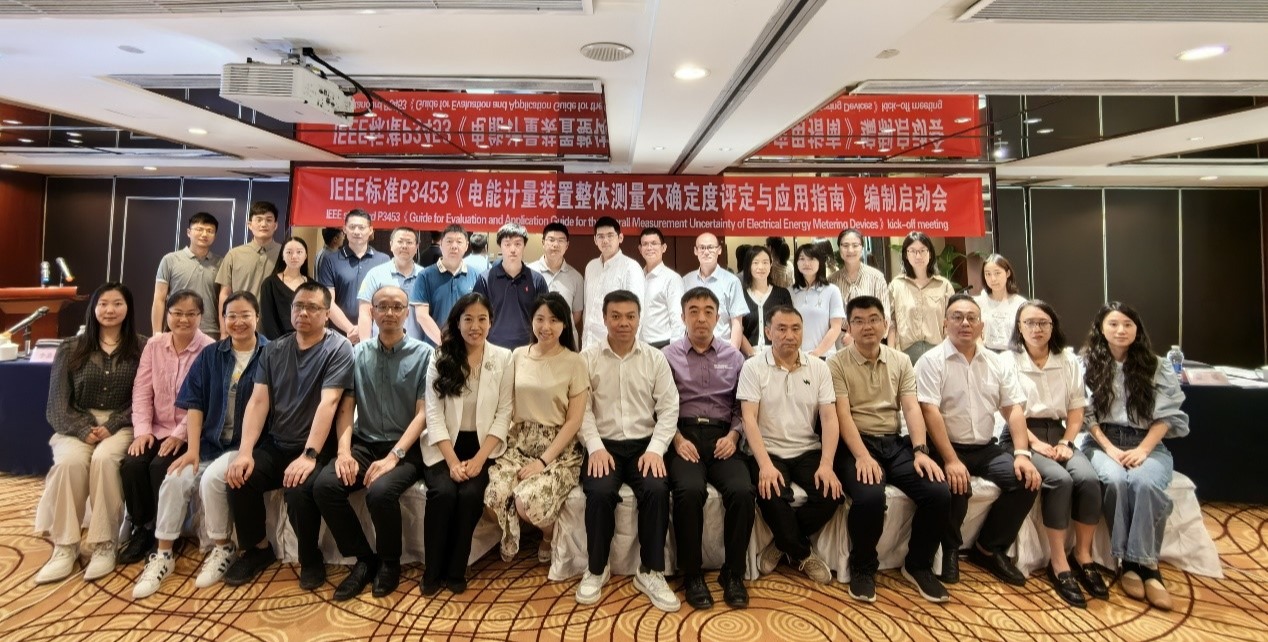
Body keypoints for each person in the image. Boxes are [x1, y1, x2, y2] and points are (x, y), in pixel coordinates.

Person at [130, 291, 268, 598]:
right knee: (174, 478)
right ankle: (163, 554)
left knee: (211, 480)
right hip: (209, 443)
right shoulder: (211, 355)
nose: (238, 322)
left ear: (257, 318)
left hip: (246, 444)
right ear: (223, 319)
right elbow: (195, 404)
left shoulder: (270, 354)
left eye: (245, 315)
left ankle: (223, 547)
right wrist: (192, 450)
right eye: (231, 316)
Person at [221, 281, 355, 589]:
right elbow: (258, 402)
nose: (303, 313)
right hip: (278, 442)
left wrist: (309, 455)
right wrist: (244, 452)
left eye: (313, 308)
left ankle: (310, 558)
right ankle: (258, 549)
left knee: (298, 489)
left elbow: (329, 402)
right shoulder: (274, 350)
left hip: (319, 446)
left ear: (327, 314)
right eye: (298, 306)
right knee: (240, 477)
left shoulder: (338, 348)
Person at [827, 295, 951, 603]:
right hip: (855, 443)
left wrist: (920, 450)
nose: (867, 326)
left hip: (894, 443)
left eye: (873, 320)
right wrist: (862, 456)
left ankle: (918, 564)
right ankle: (863, 567)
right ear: (848, 327)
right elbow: (842, 415)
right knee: (869, 496)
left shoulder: (901, 360)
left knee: (938, 491)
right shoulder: (836, 363)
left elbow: (911, 407)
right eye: (858, 321)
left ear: (885, 324)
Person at [916, 293, 1041, 587]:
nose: (965, 323)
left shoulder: (996, 362)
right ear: (945, 323)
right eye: (957, 317)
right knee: (956, 487)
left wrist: (1022, 454)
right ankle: (950, 550)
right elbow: (929, 411)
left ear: (981, 325)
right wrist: (950, 460)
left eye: (972, 318)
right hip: (945, 446)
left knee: (1026, 481)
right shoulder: (931, 361)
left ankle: (988, 548)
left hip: (985, 448)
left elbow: (1012, 409)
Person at [314, 285, 431, 600]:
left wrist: (394, 457)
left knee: (380, 493)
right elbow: (346, 407)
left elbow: (423, 415)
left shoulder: (425, 354)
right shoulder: (357, 353)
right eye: (382, 306)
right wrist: (343, 452)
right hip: (364, 443)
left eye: (397, 307)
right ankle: (364, 559)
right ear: (372, 312)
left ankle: (390, 562)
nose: (389, 313)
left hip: (406, 448)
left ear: (407, 312)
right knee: (325, 486)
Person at [34, 283, 147, 584]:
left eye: (117, 303)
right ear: (93, 308)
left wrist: (112, 425)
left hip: (123, 423)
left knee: (105, 461)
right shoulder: (71, 347)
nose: (110, 310)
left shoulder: (142, 347)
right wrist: (82, 429)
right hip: (76, 421)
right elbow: (57, 404)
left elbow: (144, 398)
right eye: (103, 304)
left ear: (128, 308)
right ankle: (65, 546)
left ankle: (104, 543)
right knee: (69, 464)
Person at [575, 290, 681, 611]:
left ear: (638, 318)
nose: (623, 323)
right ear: (604, 318)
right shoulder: (588, 359)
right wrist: (595, 447)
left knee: (656, 489)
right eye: (616, 316)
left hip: (644, 446)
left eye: (630, 316)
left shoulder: (655, 358)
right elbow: (581, 410)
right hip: (603, 445)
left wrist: (656, 450)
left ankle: (650, 571)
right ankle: (597, 568)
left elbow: (669, 408)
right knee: (599, 492)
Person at [1081, 301, 1188, 611]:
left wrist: (1143, 449)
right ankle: (1132, 564)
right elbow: (1085, 415)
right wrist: (1111, 449)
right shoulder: (1085, 364)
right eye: (1113, 324)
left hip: (1147, 442)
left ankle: (1143, 564)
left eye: (1128, 324)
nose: (1121, 330)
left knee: (1145, 483)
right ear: (1101, 329)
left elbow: (1167, 416)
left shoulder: (1157, 366)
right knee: (1115, 480)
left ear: (1137, 329)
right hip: (1102, 442)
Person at [1004, 300, 1106, 608]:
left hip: (1058, 432)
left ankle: (1084, 555)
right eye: (1029, 323)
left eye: (1043, 323)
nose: (1036, 329)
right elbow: (1009, 410)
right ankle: (1058, 562)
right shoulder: (1007, 360)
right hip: (1021, 433)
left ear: (1053, 327)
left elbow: (1076, 409)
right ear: (1019, 327)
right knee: (1060, 480)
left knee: (1088, 479)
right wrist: (1034, 443)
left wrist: (1066, 442)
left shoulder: (1067, 360)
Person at [664, 287, 754, 610]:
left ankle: (733, 573)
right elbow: (659, 406)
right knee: (689, 491)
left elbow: (742, 407)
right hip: (683, 436)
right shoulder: (667, 356)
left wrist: (734, 436)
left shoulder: (735, 357)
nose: (701, 318)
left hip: (722, 438)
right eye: (694, 311)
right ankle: (692, 574)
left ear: (718, 318)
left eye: (708, 312)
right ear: (682, 316)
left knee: (743, 491)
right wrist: (676, 438)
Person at [739, 305, 843, 584]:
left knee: (832, 494)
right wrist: (764, 465)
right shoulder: (753, 367)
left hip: (807, 449)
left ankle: (782, 543)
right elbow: (748, 419)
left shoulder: (818, 367)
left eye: (795, 328)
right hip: (768, 450)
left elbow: (829, 418)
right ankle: (803, 552)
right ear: (768, 332)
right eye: (781, 329)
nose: (789, 335)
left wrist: (827, 464)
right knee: (770, 493)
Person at [422, 293, 514, 594]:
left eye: (482, 319)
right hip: (444, 446)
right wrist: (452, 462)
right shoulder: (440, 356)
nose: (475, 326)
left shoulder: (503, 358)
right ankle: (432, 570)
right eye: (468, 319)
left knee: (471, 495)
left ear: (491, 322)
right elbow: (433, 415)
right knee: (443, 493)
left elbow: (504, 413)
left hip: (483, 446)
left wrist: (478, 460)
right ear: (457, 322)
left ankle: (456, 569)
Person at [485, 292, 587, 563]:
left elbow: (574, 421)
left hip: (558, 449)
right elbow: (507, 405)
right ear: (531, 321)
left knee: (526, 501)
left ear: (564, 324)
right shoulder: (518, 355)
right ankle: (516, 532)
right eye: (540, 319)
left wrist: (542, 462)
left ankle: (549, 535)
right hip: (519, 442)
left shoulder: (575, 361)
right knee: (494, 495)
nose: (546, 326)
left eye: (554, 320)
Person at [118, 290, 215, 567]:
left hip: (190, 432)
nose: (183, 319)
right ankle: (142, 527)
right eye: (177, 313)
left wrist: (179, 435)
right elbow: (141, 390)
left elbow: (205, 399)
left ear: (201, 316)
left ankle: (168, 531)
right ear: (167, 314)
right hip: (155, 428)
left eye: (191, 314)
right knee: (132, 465)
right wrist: (142, 432)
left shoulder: (209, 348)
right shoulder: (154, 345)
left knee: (161, 467)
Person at [318, 208, 390, 345]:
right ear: (344, 229)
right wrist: (350, 329)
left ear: (370, 230)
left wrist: (364, 329)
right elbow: (327, 301)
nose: (356, 231)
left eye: (361, 227)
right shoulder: (331, 260)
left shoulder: (383, 260)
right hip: (340, 335)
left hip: (375, 334)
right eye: (352, 227)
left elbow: (386, 300)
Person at [473, 223, 549, 349]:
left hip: (528, 348)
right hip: (493, 348)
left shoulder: (537, 280)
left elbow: (545, 316)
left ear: (524, 246)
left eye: (518, 244)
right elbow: (476, 314)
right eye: (507, 244)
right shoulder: (485, 279)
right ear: (500, 246)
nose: (513, 249)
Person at [215, 201, 280, 337]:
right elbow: (225, 294)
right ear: (249, 225)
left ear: (275, 225)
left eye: (269, 220)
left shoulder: (286, 254)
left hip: (276, 329)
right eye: (259, 220)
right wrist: (224, 331)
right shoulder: (234, 254)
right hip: (239, 326)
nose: (263, 224)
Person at [889, 232, 954, 365]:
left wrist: (949, 352)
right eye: (913, 251)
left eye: (922, 250)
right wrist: (891, 353)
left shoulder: (943, 285)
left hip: (937, 352)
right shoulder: (896, 285)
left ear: (930, 254)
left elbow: (951, 321)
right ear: (906, 255)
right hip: (905, 354)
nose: (918, 256)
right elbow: (891, 322)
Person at [152, 212, 221, 336]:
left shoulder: (221, 263)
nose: (204, 234)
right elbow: (159, 299)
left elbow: (223, 300)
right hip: (177, 328)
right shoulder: (170, 260)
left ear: (215, 236)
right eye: (199, 229)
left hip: (210, 331)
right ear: (189, 232)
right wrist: (156, 333)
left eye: (210, 231)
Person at [582, 216, 644, 350]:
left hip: (616, 346)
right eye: (600, 236)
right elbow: (587, 308)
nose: (605, 240)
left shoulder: (631, 267)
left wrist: (629, 349)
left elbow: (637, 311)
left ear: (620, 238)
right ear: (595, 240)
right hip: (589, 344)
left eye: (610, 235)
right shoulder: (590, 267)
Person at [412, 224, 478, 346]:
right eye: (449, 241)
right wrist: (444, 343)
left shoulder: (476, 275)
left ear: (466, 246)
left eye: (459, 242)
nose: (454, 246)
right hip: (434, 347)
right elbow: (421, 315)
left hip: (467, 347)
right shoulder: (424, 276)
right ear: (441, 244)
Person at [356, 227, 425, 342]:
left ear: (417, 247)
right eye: (400, 241)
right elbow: (365, 312)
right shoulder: (375, 274)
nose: (404, 246)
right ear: (391, 245)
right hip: (380, 346)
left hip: (416, 346)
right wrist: (364, 345)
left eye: (409, 242)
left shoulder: (424, 276)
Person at [683, 232, 748, 350]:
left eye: (711, 247)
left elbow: (737, 323)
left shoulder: (732, 281)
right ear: (695, 251)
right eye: (702, 247)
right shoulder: (686, 280)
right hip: (692, 350)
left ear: (719, 250)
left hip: (721, 350)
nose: (706, 252)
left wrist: (732, 353)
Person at [828, 229, 888, 348]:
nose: (850, 250)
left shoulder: (877, 277)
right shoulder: (831, 281)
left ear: (862, 248)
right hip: (840, 341)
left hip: (870, 339)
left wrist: (856, 335)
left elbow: (885, 316)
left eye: (855, 245)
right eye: (845, 245)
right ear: (839, 249)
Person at [527, 222, 584, 339]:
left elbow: (576, 315)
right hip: (536, 339)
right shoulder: (528, 272)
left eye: (561, 240)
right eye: (551, 240)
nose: (555, 245)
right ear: (543, 242)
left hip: (566, 340)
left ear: (567, 245)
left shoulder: (576, 277)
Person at [791, 243, 845, 358]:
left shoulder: (832, 291)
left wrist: (816, 353)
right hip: (795, 357)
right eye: (802, 259)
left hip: (824, 356)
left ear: (820, 262)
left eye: (811, 259)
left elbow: (836, 327)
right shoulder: (790, 292)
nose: (806, 263)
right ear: (796, 263)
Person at [738, 245, 792, 357]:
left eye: (765, 262)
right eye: (755, 262)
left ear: (771, 265)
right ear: (748, 266)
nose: (761, 267)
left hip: (778, 355)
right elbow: (737, 329)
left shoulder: (782, 294)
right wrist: (752, 354)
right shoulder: (740, 295)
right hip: (749, 357)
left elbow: (788, 326)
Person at [259, 236, 315, 340]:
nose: (294, 256)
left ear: (306, 256)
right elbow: (268, 321)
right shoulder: (270, 283)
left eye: (299, 252)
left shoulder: (313, 285)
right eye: (289, 252)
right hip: (279, 343)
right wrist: (281, 345)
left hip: (308, 341)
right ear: (282, 256)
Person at [638, 227, 685, 348]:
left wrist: (674, 351)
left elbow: (678, 320)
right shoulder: (637, 277)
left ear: (663, 248)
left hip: (663, 345)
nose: (649, 248)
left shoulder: (672, 279)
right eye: (645, 244)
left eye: (654, 243)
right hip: (639, 345)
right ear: (640, 249)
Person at [975, 253, 1027, 352]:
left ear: (1008, 273)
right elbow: (976, 335)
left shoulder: (1021, 303)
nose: (993, 279)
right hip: (987, 353)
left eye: (997, 273)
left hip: (1014, 353)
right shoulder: (979, 302)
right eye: (988, 274)